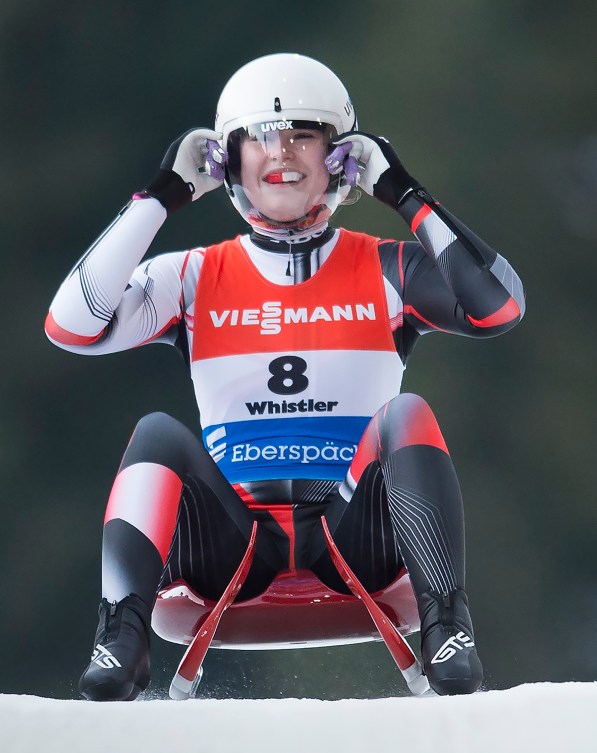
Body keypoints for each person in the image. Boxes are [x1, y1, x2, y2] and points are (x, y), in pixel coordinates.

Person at [45, 52, 525, 701]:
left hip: (354, 538)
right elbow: (72, 325)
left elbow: (497, 306)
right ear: (227, 161)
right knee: (156, 433)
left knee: (405, 413)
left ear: (340, 156)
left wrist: (404, 193)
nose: (283, 153)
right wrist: (160, 196)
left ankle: (447, 623)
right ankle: (120, 635)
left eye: (303, 135)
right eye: (260, 139)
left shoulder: (388, 269)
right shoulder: (189, 276)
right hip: (233, 545)